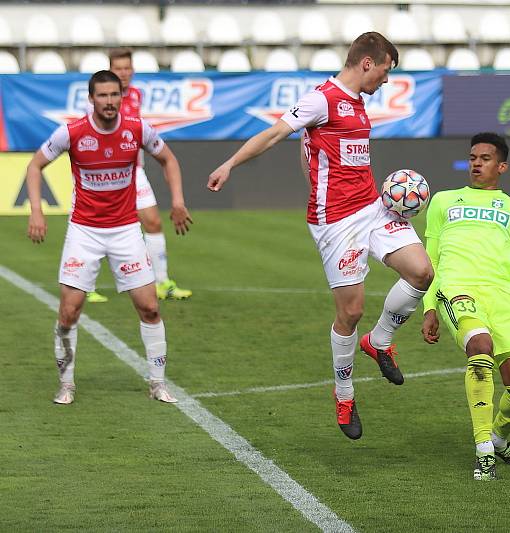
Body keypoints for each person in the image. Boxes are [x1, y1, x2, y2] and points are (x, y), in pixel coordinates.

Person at [208, 32, 433, 440]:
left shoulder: (358, 104)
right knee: (350, 312)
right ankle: (344, 394)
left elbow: (312, 147)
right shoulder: (320, 99)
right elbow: (276, 134)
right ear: (368, 62)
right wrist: (230, 164)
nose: (384, 81)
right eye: (384, 72)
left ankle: (379, 342)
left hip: (374, 208)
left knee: (421, 272)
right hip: (337, 222)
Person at [26, 70, 192, 404]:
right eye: (102, 96)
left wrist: (177, 201)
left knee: (149, 307)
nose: (109, 101)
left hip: (125, 230)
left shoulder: (136, 129)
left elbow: (168, 159)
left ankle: (157, 383)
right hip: (84, 232)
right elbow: (34, 166)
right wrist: (37, 211)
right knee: (69, 312)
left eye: (114, 95)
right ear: (91, 99)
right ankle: (66, 384)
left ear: (121, 97)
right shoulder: (71, 133)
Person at [421, 132, 510, 481]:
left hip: (503, 300)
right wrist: (428, 307)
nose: (476, 163)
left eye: (485, 158)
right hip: (457, 290)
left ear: (502, 165)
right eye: (473, 157)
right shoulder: (444, 201)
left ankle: (498, 440)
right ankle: (483, 452)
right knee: (480, 349)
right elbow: (429, 259)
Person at [85, 48, 192, 303]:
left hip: (134, 171)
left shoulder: (134, 95)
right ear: (110, 70)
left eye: (127, 67)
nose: (124, 72)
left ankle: (161, 282)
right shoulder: (99, 99)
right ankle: (84, 285)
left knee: (153, 222)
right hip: (103, 174)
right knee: (96, 227)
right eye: (118, 68)